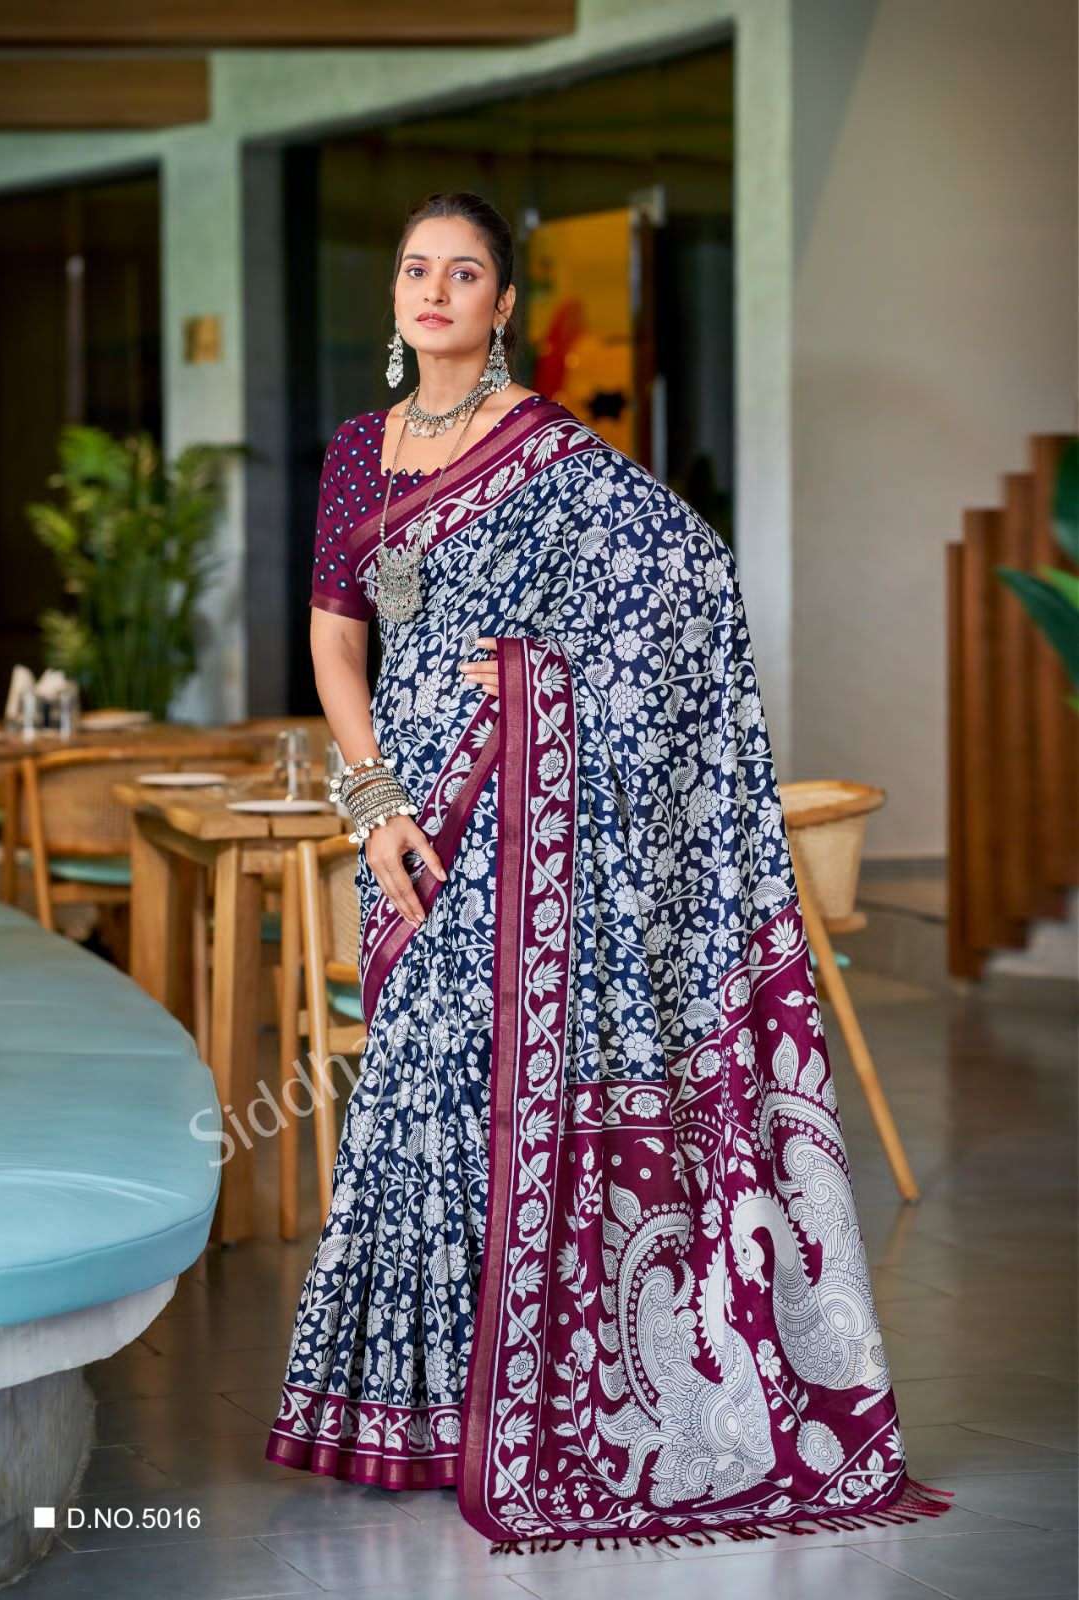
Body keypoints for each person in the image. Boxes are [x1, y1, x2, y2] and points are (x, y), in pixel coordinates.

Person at [264, 191, 951, 1554]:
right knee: (412, 1088)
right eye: (415, 268)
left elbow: (687, 581)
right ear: (393, 294)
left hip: (521, 812)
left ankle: (516, 1406)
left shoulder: (551, 453)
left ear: (503, 304)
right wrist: (372, 796)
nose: (435, 291)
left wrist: (540, 678)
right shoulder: (355, 454)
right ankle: (409, 1409)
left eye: (464, 273)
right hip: (408, 810)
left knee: (489, 1082)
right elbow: (336, 641)